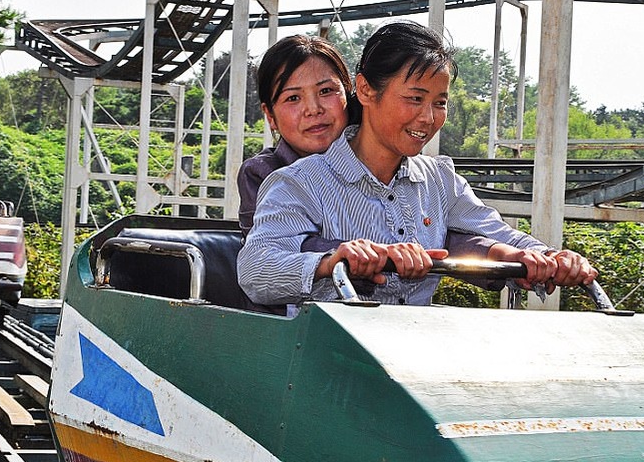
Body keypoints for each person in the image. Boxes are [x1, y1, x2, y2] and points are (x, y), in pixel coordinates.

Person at [238, 21, 596, 310]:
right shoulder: (294, 183)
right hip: (331, 359)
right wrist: (332, 260)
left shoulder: (439, 180)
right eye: (414, 99)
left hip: (413, 355)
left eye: (439, 103)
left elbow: (493, 231)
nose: (427, 118)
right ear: (364, 91)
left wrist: (547, 256)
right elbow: (255, 269)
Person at [237, 34, 496, 259]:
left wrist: (495, 251)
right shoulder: (266, 174)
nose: (313, 109)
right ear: (270, 116)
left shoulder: (391, 164)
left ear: (353, 93)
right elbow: (279, 251)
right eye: (293, 98)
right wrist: (378, 254)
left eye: (326, 91)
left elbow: (439, 235)